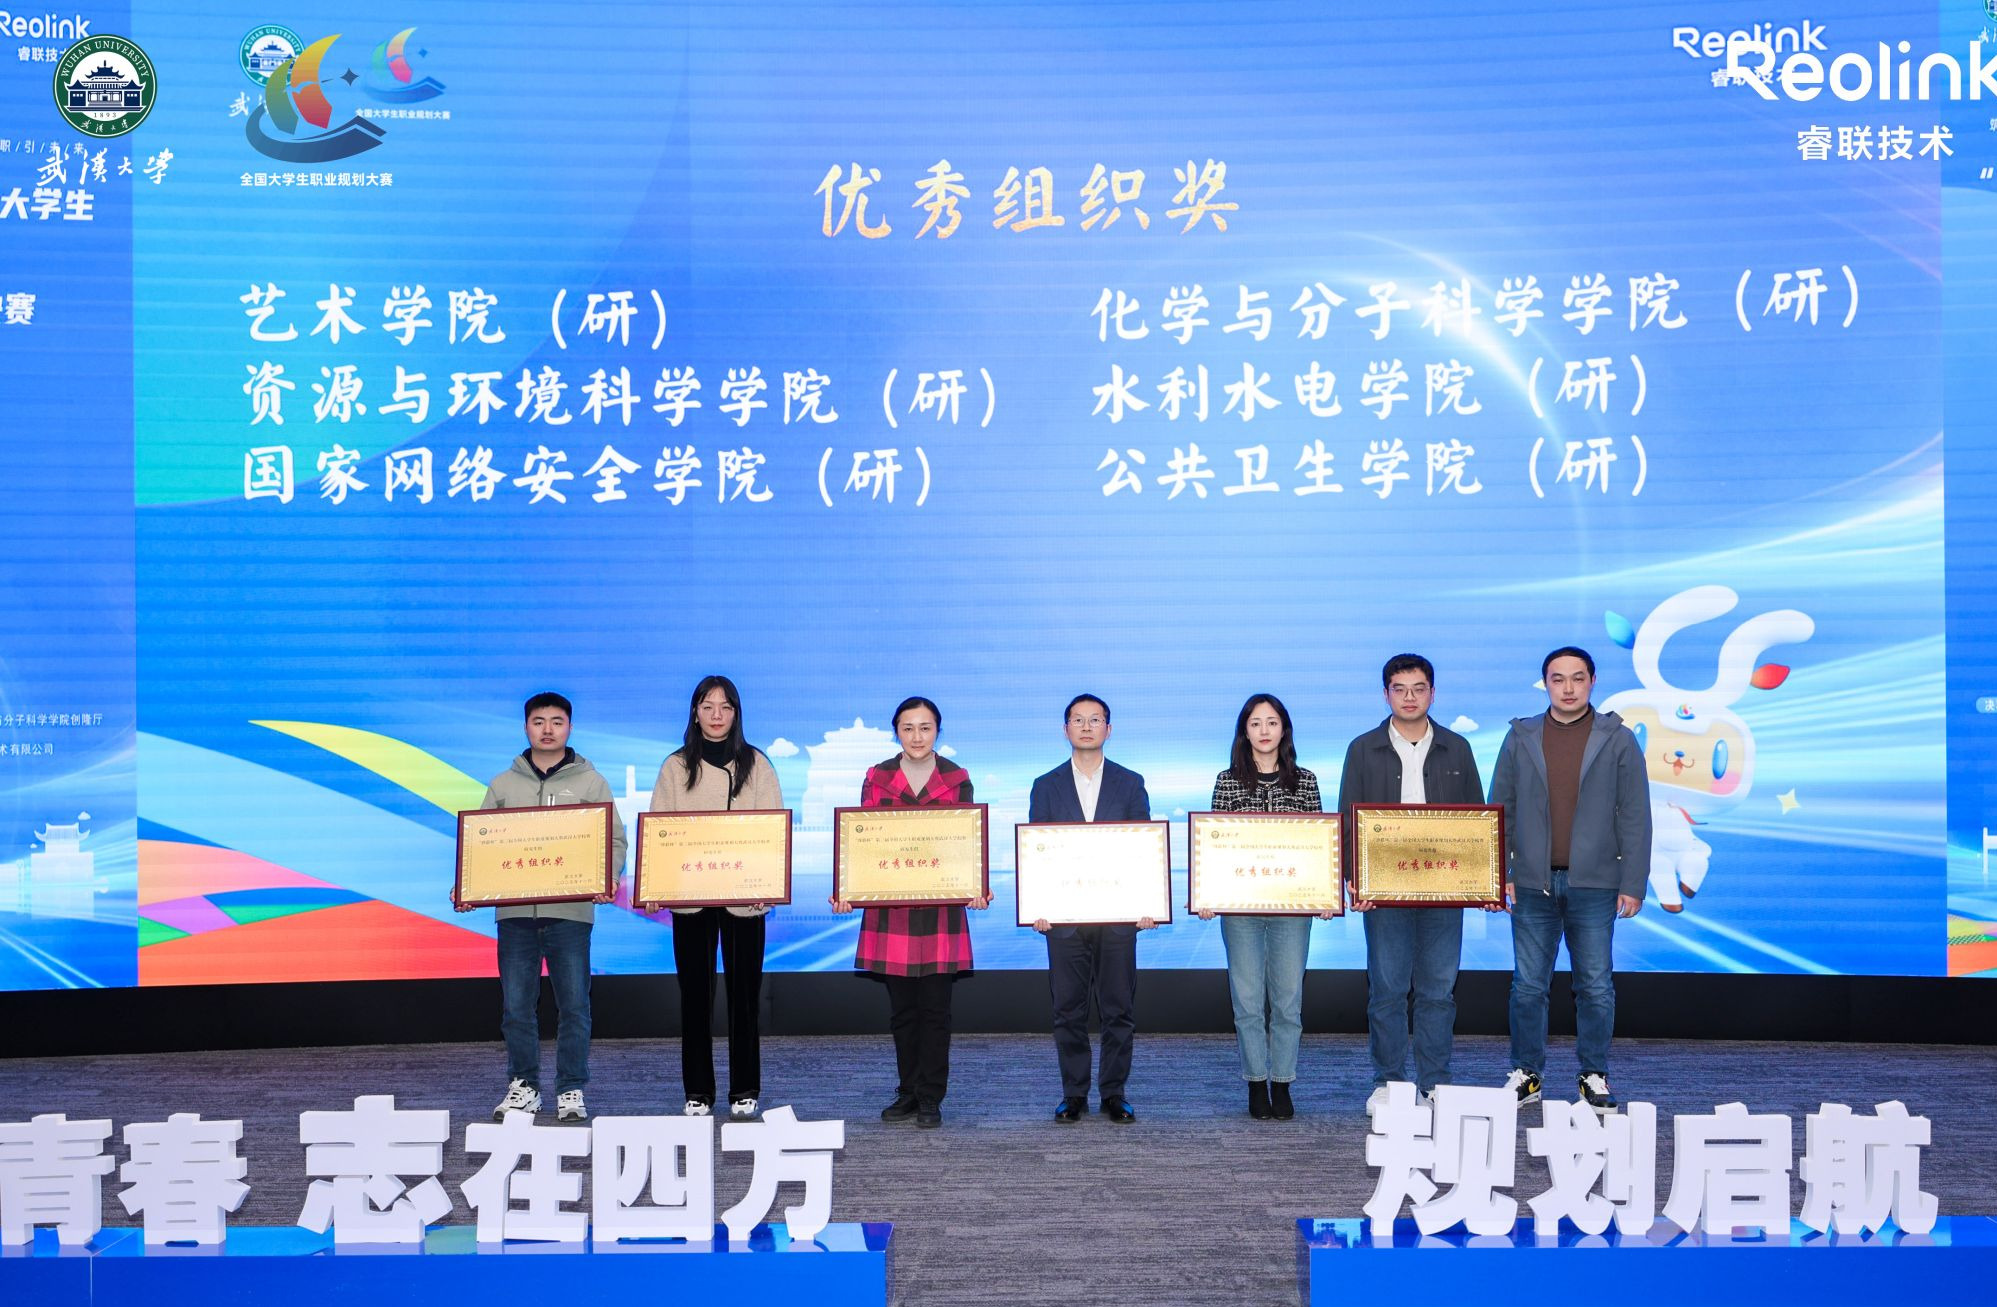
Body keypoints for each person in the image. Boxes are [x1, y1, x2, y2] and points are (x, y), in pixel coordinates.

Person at [1489, 646, 1652, 1114]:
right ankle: (1527, 1073)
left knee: (1595, 986)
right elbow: (1500, 809)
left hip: (1596, 885)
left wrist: (1633, 882)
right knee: (1527, 987)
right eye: (1557, 679)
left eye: (1577, 678)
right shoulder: (1521, 736)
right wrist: (1500, 874)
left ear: (1592, 682)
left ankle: (1593, 1073)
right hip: (1532, 884)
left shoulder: (1618, 739)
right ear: (1545, 684)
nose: (1567, 688)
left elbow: (1635, 815)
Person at [1337, 654, 1490, 1111]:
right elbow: (1348, 818)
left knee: (1437, 991)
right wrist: (1355, 879)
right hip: (1384, 890)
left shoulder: (1456, 748)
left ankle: (1434, 1083)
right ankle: (1389, 1082)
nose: (1409, 697)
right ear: (1385, 694)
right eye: (1399, 689)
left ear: (1432, 693)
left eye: (1419, 688)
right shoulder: (1362, 748)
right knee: (1387, 990)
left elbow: (1478, 820)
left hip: (1445, 888)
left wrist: (1483, 879)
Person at [831, 696, 990, 1129]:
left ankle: (931, 1095)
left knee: (936, 1011)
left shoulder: (957, 778)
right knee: (902, 1011)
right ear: (896, 732)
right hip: (893, 911)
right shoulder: (877, 776)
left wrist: (976, 886)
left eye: (925, 727)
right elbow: (862, 842)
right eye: (908, 728)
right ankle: (907, 1090)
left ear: (937, 730)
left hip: (940, 912)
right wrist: (847, 890)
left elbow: (967, 842)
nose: (917, 736)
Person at [474, 692, 626, 1124]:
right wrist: (469, 885)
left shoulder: (591, 782)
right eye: (538, 721)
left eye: (556, 721)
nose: (547, 729)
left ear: (569, 728)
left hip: (570, 913)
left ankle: (570, 1088)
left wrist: (607, 877)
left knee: (574, 1006)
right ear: (526, 727)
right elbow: (481, 844)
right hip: (515, 915)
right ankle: (523, 1086)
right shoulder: (503, 784)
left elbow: (613, 839)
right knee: (516, 1008)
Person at [648, 675, 784, 1121]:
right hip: (691, 898)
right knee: (695, 997)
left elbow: (773, 832)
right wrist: (656, 885)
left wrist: (768, 885)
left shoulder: (757, 765)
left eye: (725, 707)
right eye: (707, 706)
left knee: (745, 998)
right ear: (695, 713)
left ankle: (745, 1089)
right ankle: (698, 1091)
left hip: (745, 900)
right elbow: (660, 830)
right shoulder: (675, 767)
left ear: (736, 713)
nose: (716, 715)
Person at [1199, 694, 1328, 1121]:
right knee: (1248, 1001)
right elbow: (1214, 845)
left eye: (1272, 722)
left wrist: (1324, 894)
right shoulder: (1227, 781)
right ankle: (1256, 1082)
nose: (1264, 730)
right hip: (1241, 911)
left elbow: (1318, 845)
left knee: (1288, 1001)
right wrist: (1207, 895)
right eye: (1256, 723)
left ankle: (1283, 1082)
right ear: (1245, 731)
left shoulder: (1305, 781)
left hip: (1293, 910)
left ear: (1284, 729)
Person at [1027, 694, 1154, 1125]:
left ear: (1108, 729)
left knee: (1118, 1010)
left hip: (1118, 918)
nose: (1086, 726)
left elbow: (1142, 849)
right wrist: (1038, 906)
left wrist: (1147, 904)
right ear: (1065, 729)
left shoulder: (1130, 783)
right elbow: (1038, 852)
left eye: (1095, 719)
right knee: (1068, 1010)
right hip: (1063, 919)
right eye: (1077, 720)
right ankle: (1074, 1094)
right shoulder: (1045, 785)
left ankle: (1114, 1093)